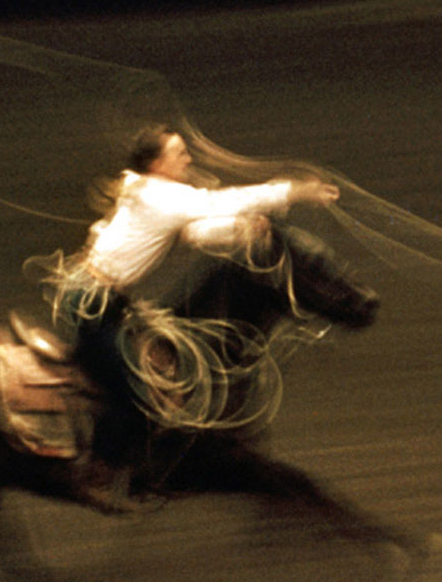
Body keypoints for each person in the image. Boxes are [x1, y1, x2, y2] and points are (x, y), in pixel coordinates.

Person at [43, 123, 339, 508]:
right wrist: (296, 190)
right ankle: (97, 473)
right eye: (178, 153)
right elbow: (222, 202)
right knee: (137, 391)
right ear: (158, 163)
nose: (187, 158)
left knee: (154, 369)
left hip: (100, 298)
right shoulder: (163, 197)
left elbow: (195, 234)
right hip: (92, 306)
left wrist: (241, 231)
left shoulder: (149, 192)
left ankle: (140, 465)